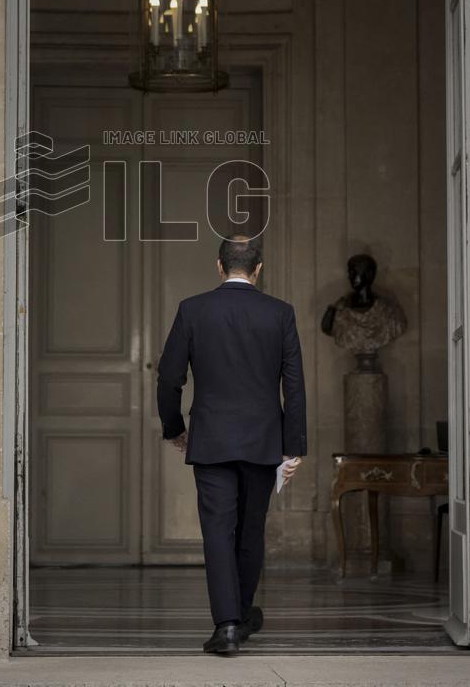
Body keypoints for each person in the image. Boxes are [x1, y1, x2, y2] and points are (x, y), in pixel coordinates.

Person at [157, 234, 307, 657]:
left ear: (219, 266)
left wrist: (173, 429)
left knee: (218, 531)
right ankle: (239, 615)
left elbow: (169, 378)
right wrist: (293, 447)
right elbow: (294, 385)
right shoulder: (280, 313)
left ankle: (226, 625)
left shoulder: (192, 309)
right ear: (258, 269)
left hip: (211, 438)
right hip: (263, 440)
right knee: (250, 529)